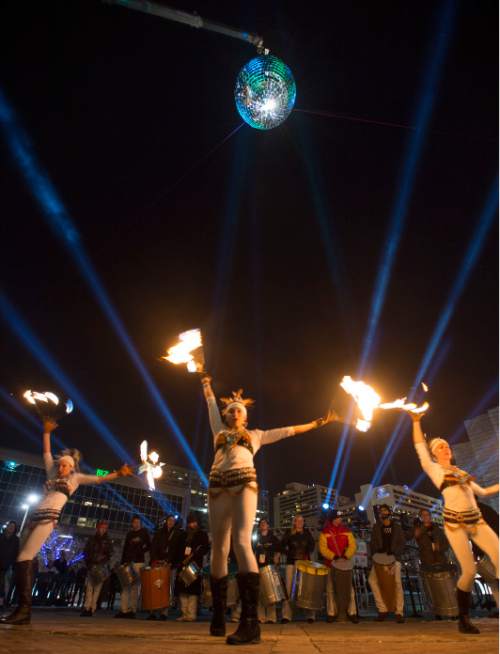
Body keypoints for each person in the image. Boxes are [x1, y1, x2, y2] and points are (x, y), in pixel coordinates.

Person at [201, 376, 338, 645]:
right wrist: (206, 386)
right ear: (227, 414)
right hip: (217, 485)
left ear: (245, 417)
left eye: (240, 409)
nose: (236, 411)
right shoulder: (218, 431)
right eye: (232, 409)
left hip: (244, 483)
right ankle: (218, 615)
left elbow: (288, 431)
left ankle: (250, 624)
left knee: (241, 542)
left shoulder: (256, 435)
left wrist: (318, 422)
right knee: (218, 546)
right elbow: (210, 406)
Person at [0, 418, 131, 626]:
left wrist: (119, 473)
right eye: (60, 464)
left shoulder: (75, 479)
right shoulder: (52, 472)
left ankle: (24, 610)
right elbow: (46, 453)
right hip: (34, 518)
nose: (60, 467)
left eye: (65, 465)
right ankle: (21, 609)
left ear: (71, 468)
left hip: (48, 518)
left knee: (24, 557)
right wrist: (46, 433)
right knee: (22, 560)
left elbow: (98, 479)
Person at [410, 410, 499, 634]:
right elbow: (419, 446)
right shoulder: (434, 469)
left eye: (446, 445)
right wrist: (416, 421)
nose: (445, 447)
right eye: (439, 446)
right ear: (433, 453)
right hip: (454, 524)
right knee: (468, 572)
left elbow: (485, 492)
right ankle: (464, 618)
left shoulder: (462, 473)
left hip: (477, 522)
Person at [368, 504, 406, 623]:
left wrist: (394, 553)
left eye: (385, 510)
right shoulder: (376, 527)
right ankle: (382, 609)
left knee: (397, 583)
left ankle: (399, 612)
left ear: (390, 512)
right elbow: (372, 542)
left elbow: (402, 542)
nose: (383, 513)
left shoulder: (397, 527)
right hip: (379, 559)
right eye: (381, 511)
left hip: (394, 558)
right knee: (372, 581)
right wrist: (375, 552)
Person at [319, 510, 358, 623]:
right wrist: (333, 556)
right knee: (330, 589)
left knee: (349, 589)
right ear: (332, 519)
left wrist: (346, 556)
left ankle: (352, 612)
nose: (340, 519)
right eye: (337, 518)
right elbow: (323, 549)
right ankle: (332, 613)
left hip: (345, 564)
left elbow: (352, 545)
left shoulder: (346, 530)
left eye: (340, 518)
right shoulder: (325, 532)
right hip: (330, 564)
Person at [280, 514, 316, 624]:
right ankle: (286, 615)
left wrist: (307, 553)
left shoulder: (307, 533)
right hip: (291, 562)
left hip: (304, 562)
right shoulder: (288, 533)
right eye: (298, 521)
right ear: (294, 522)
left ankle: (310, 615)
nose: (300, 522)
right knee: (289, 588)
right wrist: (289, 553)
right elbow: (281, 545)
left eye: (302, 521)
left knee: (306, 588)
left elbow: (312, 545)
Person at [175, 513, 210, 622]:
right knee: (182, 590)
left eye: (194, 522)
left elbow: (205, 549)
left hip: (195, 565)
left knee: (192, 591)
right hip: (183, 564)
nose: (192, 524)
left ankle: (191, 614)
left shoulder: (202, 534)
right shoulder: (183, 534)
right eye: (191, 522)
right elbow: (179, 549)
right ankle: (184, 613)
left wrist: (197, 554)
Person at [149, 514, 183, 620]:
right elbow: (153, 547)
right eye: (169, 520)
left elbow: (178, 551)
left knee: (167, 589)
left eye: (172, 521)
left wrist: (172, 562)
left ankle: (164, 612)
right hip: (158, 563)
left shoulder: (177, 534)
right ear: (166, 521)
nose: (170, 522)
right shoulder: (159, 533)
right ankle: (153, 611)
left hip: (170, 565)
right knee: (156, 587)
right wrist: (154, 559)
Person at [115, 515, 151, 619]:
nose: (136, 524)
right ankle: (123, 609)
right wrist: (123, 562)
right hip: (128, 562)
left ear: (140, 523)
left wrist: (141, 551)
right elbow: (125, 548)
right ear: (132, 523)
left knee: (135, 587)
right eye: (135, 522)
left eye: (138, 522)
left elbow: (149, 545)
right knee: (125, 586)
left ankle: (132, 610)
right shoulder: (129, 534)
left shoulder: (144, 532)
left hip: (138, 562)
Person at [81, 520, 113, 617]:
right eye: (102, 528)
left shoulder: (107, 541)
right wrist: (88, 562)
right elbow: (86, 551)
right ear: (98, 528)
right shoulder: (92, 539)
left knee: (97, 588)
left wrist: (103, 560)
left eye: (105, 528)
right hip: (92, 565)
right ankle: (87, 607)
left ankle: (92, 607)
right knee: (90, 587)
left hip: (100, 566)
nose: (103, 530)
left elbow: (109, 554)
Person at [253, 518, 281, 624]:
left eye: (265, 523)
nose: (263, 525)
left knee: (271, 591)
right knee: (260, 591)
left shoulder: (273, 538)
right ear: (259, 526)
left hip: (270, 566)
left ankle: (271, 617)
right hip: (258, 566)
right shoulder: (256, 538)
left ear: (268, 526)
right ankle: (261, 616)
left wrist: (276, 558)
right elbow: (251, 550)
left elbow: (279, 549)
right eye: (261, 523)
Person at [0, 522, 19, 608]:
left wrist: (13, 564)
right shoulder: (1, 536)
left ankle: (2, 601)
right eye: (10, 526)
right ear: (7, 527)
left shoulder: (16, 540)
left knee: (4, 584)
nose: (11, 528)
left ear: (15, 529)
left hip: (8, 565)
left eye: (13, 527)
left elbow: (16, 553)